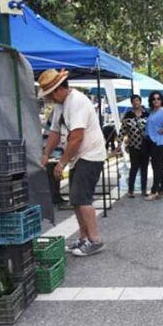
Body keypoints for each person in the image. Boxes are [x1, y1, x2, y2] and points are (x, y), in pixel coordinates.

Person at [39, 69, 106, 257]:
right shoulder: (61, 104)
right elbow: (54, 133)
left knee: (82, 198)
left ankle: (95, 239)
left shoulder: (76, 102)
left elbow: (76, 138)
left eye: (50, 94)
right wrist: (46, 154)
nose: (49, 99)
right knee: (76, 199)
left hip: (90, 155)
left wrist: (61, 163)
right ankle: (84, 238)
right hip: (80, 156)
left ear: (59, 89)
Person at [120, 94, 149, 198]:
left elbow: (151, 129)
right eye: (133, 101)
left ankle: (144, 190)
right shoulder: (128, 115)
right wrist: (119, 143)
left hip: (145, 146)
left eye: (137, 100)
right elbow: (123, 130)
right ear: (131, 103)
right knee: (134, 168)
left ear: (140, 102)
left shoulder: (146, 114)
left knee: (144, 169)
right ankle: (131, 190)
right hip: (133, 146)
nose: (136, 102)